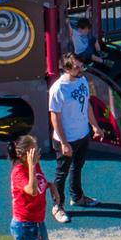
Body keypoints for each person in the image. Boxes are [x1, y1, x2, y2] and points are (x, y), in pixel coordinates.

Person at [46, 55, 95, 220]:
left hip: (82, 134)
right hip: (66, 139)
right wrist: (64, 143)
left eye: (82, 66)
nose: (82, 69)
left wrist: (94, 125)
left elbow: (87, 104)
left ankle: (78, 197)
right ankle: (57, 206)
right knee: (62, 173)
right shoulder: (58, 89)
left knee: (78, 167)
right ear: (66, 69)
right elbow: (55, 118)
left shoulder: (82, 80)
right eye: (77, 68)